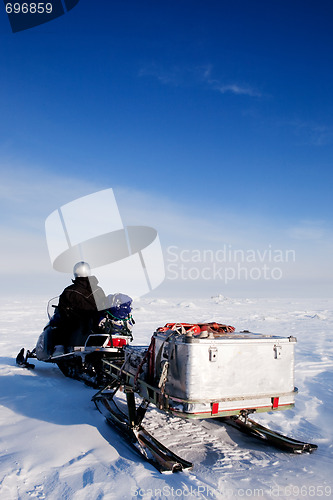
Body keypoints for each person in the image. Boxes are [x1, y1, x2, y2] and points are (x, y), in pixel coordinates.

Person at [54, 261, 107, 349]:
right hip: (95, 325)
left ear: (75, 273)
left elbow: (62, 310)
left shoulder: (69, 291)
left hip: (76, 326)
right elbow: (104, 305)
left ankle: (59, 348)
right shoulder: (98, 290)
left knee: (59, 326)